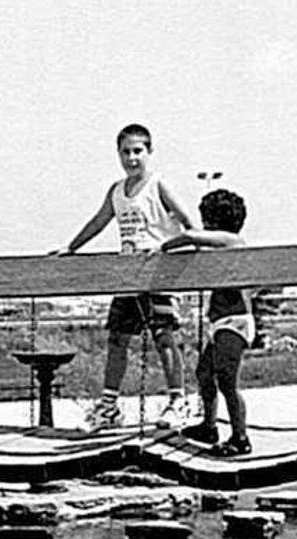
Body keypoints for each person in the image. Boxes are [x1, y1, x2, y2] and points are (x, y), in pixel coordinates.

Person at [55, 123, 197, 430]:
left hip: (159, 272)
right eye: (125, 152)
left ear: (149, 152)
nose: (132, 158)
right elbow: (99, 221)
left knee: (165, 337)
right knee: (118, 338)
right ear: (118, 154)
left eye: (137, 151)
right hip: (128, 273)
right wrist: (71, 247)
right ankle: (109, 407)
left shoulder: (158, 185)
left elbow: (189, 222)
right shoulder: (117, 191)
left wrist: (177, 250)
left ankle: (178, 400)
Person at [156, 188, 254, 456]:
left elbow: (188, 236)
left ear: (213, 220)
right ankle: (209, 426)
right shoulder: (225, 243)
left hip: (234, 323)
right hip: (222, 323)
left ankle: (240, 438)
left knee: (227, 381)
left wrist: (162, 247)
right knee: (204, 373)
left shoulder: (232, 240)